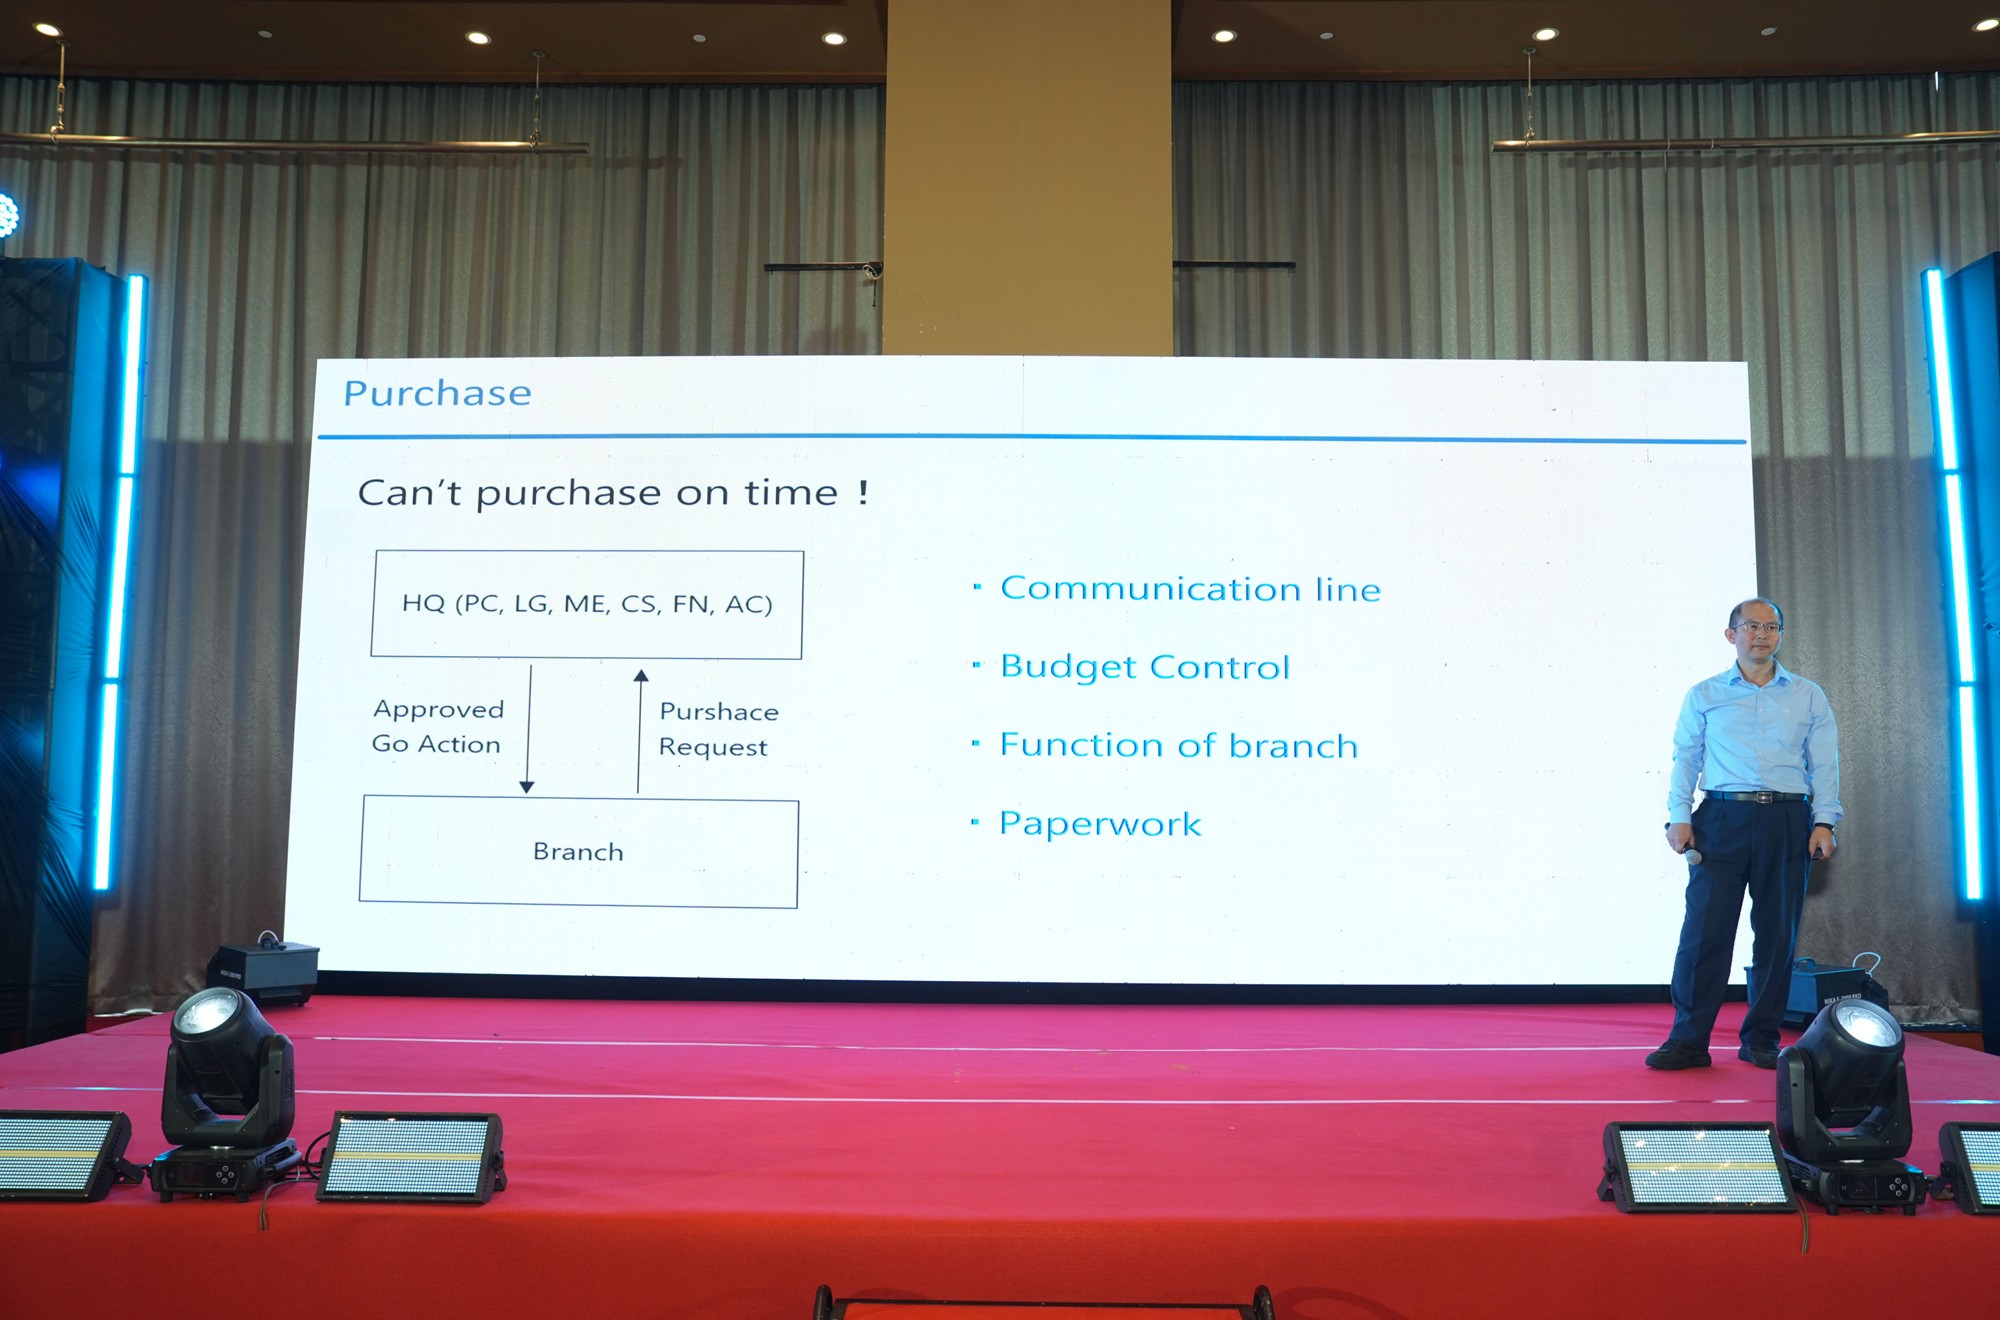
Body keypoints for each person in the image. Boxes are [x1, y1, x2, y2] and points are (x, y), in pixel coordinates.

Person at [1647, 597, 1840, 1071]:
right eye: (1751, 626)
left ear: (1781, 635)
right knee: (1704, 933)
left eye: (1771, 627)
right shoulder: (1705, 694)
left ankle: (1762, 1039)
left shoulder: (1808, 694)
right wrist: (1679, 815)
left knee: (1776, 936)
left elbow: (1824, 764)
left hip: (1787, 820)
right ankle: (1688, 1040)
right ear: (1731, 635)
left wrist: (1824, 821)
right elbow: (1686, 758)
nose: (1761, 634)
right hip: (1721, 818)